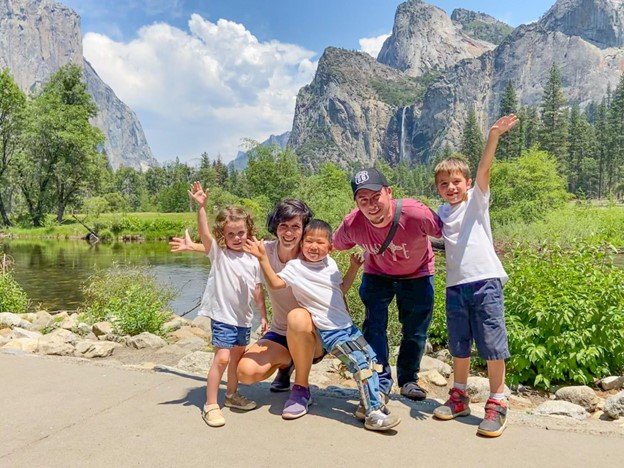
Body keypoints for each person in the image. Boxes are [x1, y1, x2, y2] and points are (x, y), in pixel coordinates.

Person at [170, 199, 325, 419]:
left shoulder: (311, 255)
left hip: (309, 334)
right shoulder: (263, 251)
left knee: (297, 318)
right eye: (283, 226)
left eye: (295, 227)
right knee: (243, 369)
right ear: (275, 227)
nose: (289, 233)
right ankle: (285, 366)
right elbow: (222, 248)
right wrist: (194, 244)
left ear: (304, 229)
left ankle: (301, 388)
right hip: (274, 331)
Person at [245, 219, 401, 431]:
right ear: (301, 244)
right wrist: (263, 258)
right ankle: (374, 412)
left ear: (330, 247)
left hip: (347, 326)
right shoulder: (295, 267)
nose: (314, 247)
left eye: (320, 243)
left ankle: (366, 405)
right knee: (360, 365)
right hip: (329, 331)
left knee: (371, 360)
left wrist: (354, 268)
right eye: (309, 241)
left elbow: (340, 290)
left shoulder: (331, 264)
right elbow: (275, 283)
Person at [431, 114, 518, 438]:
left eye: (457, 182)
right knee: (459, 345)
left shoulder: (477, 202)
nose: (451, 187)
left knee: (493, 345)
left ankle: (498, 400)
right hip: (455, 286)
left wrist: (493, 135)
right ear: (438, 189)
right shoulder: (440, 212)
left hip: (485, 282)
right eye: (444, 184)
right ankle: (459, 396)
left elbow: (484, 167)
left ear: (468, 183)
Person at [332, 167, 442, 416]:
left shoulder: (415, 213)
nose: (371, 205)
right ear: (357, 203)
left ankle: (408, 379)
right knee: (374, 326)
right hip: (377, 273)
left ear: (389, 192)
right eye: (363, 200)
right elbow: (333, 244)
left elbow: (446, 230)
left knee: (415, 330)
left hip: (418, 273)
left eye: (375, 197)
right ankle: (380, 380)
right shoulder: (353, 223)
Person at [188, 181, 267, 428]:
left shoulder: (254, 259)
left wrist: (263, 316)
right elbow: (204, 235)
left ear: (248, 231)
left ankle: (232, 396)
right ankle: (211, 404)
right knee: (221, 358)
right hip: (222, 315)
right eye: (230, 234)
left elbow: (257, 289)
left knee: (235, 359)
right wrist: (202, 207)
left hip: (243, 319)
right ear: (223, 235)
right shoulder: (219, 254)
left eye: (240, 232)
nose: (235, 238)